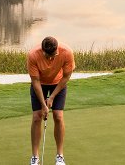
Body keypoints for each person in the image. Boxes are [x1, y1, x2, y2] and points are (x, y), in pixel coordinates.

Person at [28, 36, 76, 165]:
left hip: (58, 83)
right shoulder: (33, 55)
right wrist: (44, 105)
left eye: (53, 56)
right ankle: (35, 157)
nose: (50, 59)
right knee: (37, 117)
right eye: (47, 56)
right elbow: (35, 81)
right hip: (40, 85)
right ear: (42, 50)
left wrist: (52, 97)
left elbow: (66, 76)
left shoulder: (67, 52)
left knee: (58, 116)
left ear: (57, 50)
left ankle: (60, 156)